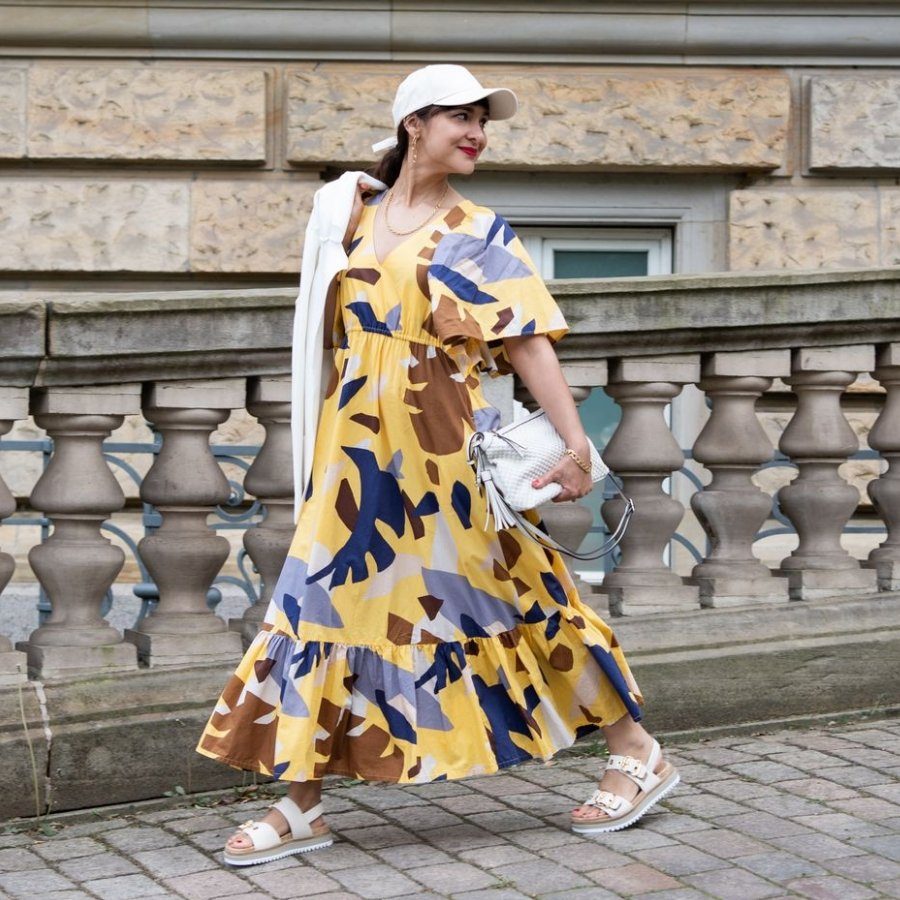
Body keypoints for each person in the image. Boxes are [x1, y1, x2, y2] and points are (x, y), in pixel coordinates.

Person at [197, 64, 679, 867]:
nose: (478, 134)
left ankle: (638, 751)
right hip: (355, 455)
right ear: (413, 124)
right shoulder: (347, 215)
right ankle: (301, 802)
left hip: (448, 449)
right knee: (316, 607)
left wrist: (576, 445)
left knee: (521, 598)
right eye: (462, 117)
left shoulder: (477, 230)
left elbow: (527, 341)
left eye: (483, 121)